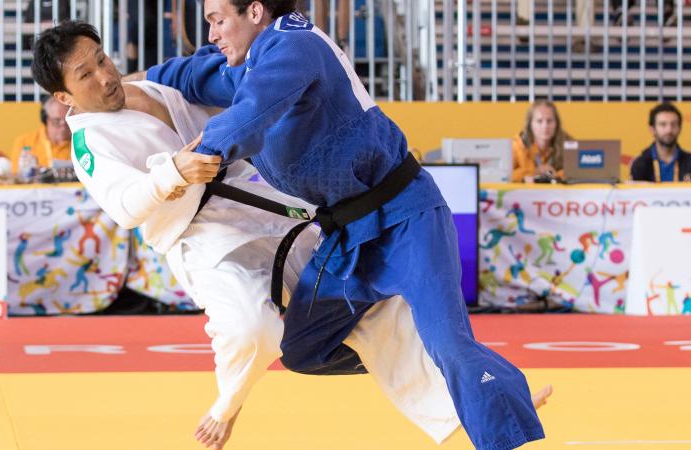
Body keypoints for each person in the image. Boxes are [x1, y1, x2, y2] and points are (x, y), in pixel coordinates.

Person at [132, 2, 550, 449]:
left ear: (254, 11)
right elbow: (201, 75)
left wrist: (195, 155)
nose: (211, 32)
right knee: (303, 349)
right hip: (347, 238)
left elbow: (250, 114)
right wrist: (138, 81)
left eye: (217, 19)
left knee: (449, 343)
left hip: (406, 218)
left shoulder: (294, 46)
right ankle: (453, 372)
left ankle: (497, 415)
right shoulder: (255, 60)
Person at [31, 21, 463, 450]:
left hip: (264, 204)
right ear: (63, 96)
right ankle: (228, 404)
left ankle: (467, 403)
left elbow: (226, 94)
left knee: (369, 297)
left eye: (102, 59)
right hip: (200, 235)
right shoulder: (90, 144)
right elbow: (124, 207)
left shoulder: (149, 87)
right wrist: (172, 173)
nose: (104, 76)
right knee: (251, 330)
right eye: (85, 75)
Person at [512, 100, 572, 183]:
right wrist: (534, 172)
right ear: (530, 124)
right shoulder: (518, 145)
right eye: (539, 121)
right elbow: (504, 175)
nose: (545, 126)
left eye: (549, 121)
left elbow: (577, 173)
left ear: (556, 123)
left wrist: (554, 175)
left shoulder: (569, 144)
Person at [9, 96, 72, 174]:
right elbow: (18, 176)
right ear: (45, 119)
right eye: (56, 121)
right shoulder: (25, 142)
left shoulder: (81, 140)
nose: (63, 126)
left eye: (67, 120)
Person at [630, 102, 691, 183]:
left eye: (673, 124)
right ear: (653, 129)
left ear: (679, 128)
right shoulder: (640, 164)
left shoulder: (689, 162)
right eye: (663, 124)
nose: (669, 130)